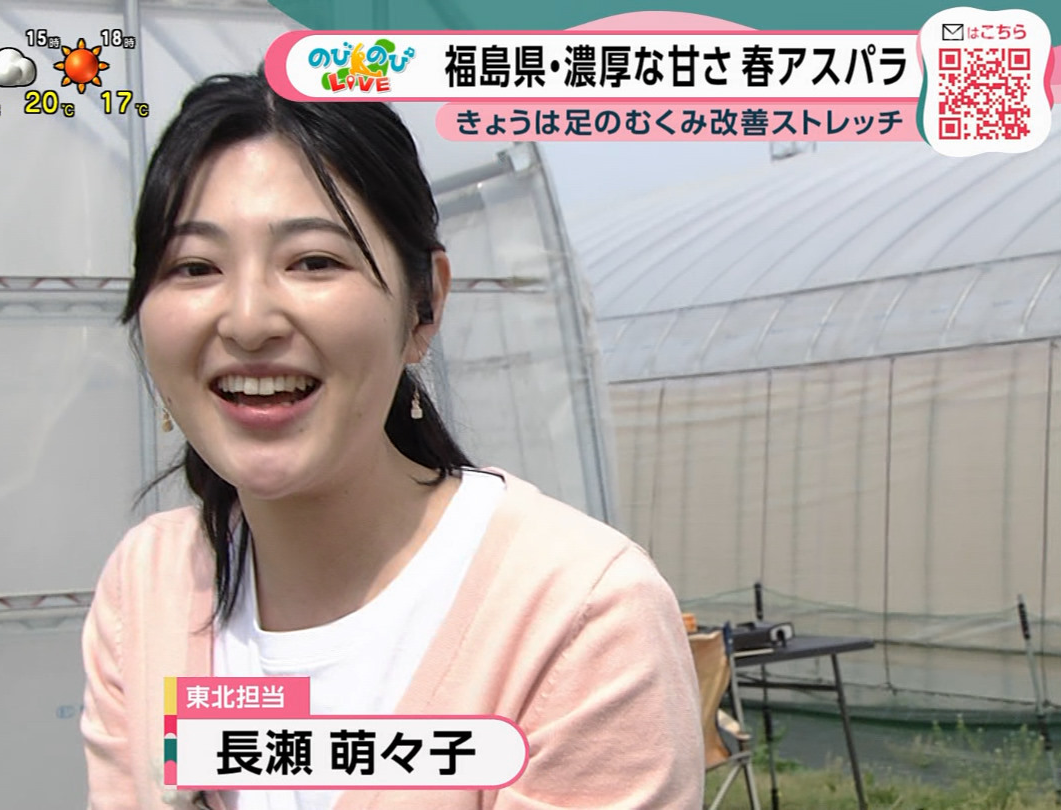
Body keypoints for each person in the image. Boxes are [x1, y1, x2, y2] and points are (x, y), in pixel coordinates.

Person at [80, 68, 703, 810]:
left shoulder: (578, 616)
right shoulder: (148, 585)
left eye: (314, 261)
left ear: (423, 305)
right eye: (194, 267)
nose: (247, 322)